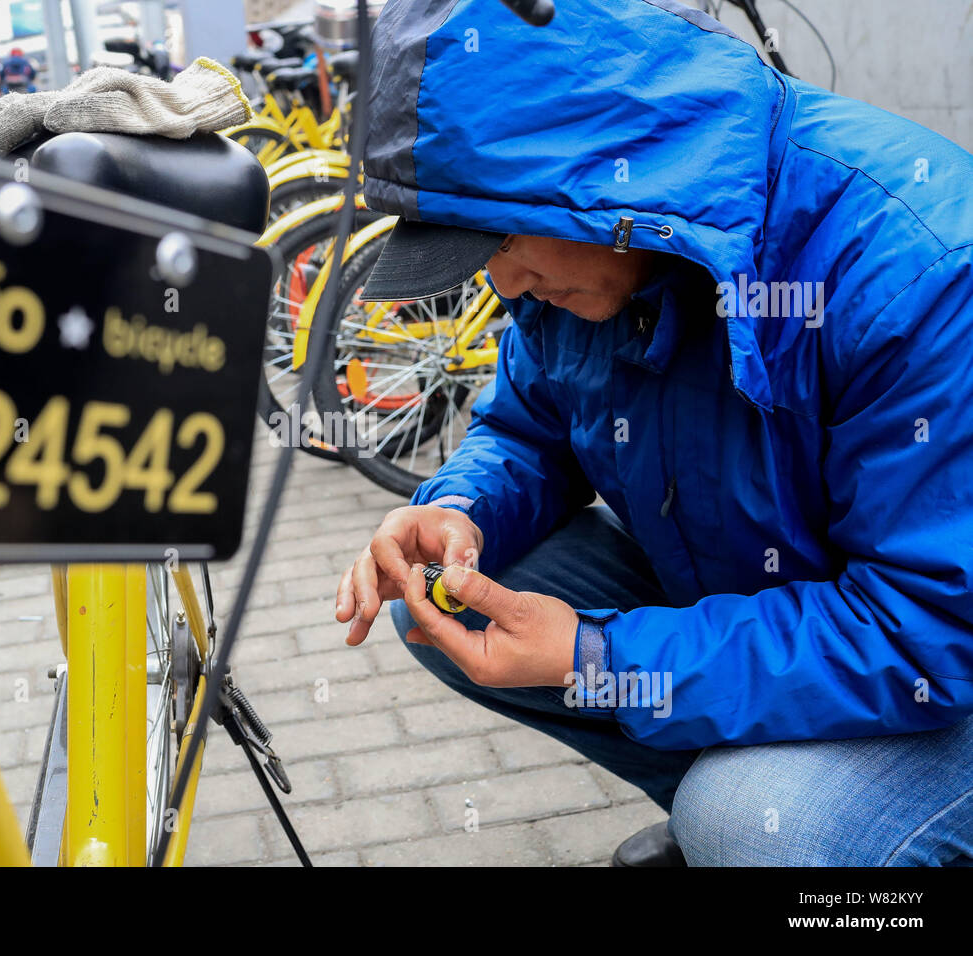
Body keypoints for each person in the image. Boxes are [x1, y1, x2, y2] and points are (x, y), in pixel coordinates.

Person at [336, 0, 973, 866]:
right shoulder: (583, 256)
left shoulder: (916, 268)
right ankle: (768, 806)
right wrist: (460, 506)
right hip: (795, 607)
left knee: (744, 821)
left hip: (945, 673)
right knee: (438, 597)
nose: (499, 279)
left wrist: (602, 657)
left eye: (501, 239)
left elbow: (924, 627)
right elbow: (527, 432)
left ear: (608, 169)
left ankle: (789, 825)